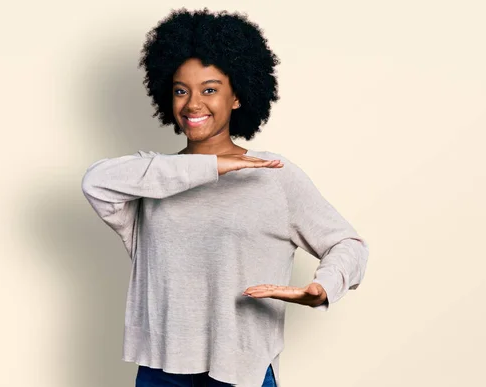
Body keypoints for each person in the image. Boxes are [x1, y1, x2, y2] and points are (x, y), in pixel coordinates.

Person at [81, 8, 369, 387]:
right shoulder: (153, 180)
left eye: (210, 89)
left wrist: (324, 288)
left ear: (237, 97)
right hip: (160, 372)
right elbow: (95, 182)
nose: (193, 103)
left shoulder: (272, 175)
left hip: (240, 373)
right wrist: (211, 166)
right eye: (181, 90)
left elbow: (349, 244)